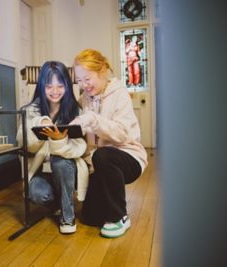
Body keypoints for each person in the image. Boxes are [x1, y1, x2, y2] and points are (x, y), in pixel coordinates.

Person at [71, 49, 148, 238]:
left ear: (102, 71)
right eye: (79, 80)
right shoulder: (84, 99)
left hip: (129, 158)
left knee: (103, 154)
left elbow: (122, 134)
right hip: (100, 163)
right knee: (89, 217)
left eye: (87, 79)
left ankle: (120, 216)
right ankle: (107, 210)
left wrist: (94, 120)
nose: (83, 85)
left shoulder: (120, 94)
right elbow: (87, 139)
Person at [16, 61, 88, 234]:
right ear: (41, 86)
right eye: (49, 86)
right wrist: (40, 123)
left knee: (60, 161)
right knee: (39, 193)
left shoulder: (75, 111)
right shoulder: (29, 110)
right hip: (41, 172)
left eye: (60, 86)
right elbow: (23, 144)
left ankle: (67, 215)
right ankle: (59, 200)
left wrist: (58, 141)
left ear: (67, 86)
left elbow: (80, 147)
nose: (55, 91)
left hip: (67, 170)